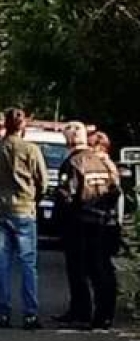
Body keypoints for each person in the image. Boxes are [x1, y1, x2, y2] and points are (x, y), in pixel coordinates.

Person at [0, 108, 47, 330]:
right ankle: (30, 314)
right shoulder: (31, 150)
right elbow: (42, 181)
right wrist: (34, 198)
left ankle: (3, 313)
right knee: (27, 263)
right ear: (23, 125)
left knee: (2, 262)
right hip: (25, 209)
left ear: (4, 125)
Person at [54, 122, 122, 330]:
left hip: (79, 222)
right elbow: (114, 190)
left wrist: (60, 218)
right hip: (102, 221)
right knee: (101, 267)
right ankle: (104, 314)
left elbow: (67, 195)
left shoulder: (72, 163)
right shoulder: (100, 161)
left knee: (79, 269)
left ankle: (81, 311)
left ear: (68, 140)